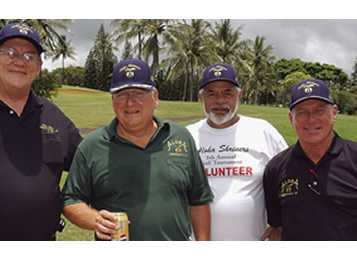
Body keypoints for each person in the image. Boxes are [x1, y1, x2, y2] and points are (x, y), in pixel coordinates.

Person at [62, 58, 214, 241]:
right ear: (113, 101)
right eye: (122, 95)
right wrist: (95, 220)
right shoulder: (92, 146)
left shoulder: (180, 137)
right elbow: (70, 200)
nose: (130, 103)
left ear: (155, 97)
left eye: (138, 93)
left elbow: (199, 199)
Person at [0, 22, 82, 240]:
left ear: (38, 67)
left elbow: (88, 162)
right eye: (10, 53)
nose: (20, 62)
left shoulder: (52, 115)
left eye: (29, 56)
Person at [186, 63, 288, 240]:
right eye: (211, 93)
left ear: (239, 96)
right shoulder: (186, 136)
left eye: (227, 93)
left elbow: (289, 181)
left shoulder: (263, 131)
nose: (219, 100)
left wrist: (279, 224)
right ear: (201, 99)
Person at [263, 78, 357, 240]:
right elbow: (276, 227)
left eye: (319, 111)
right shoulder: (276, 168)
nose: (311, 119)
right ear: (291, 118)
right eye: (301, 112)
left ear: (334, 113)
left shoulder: (353, 158)